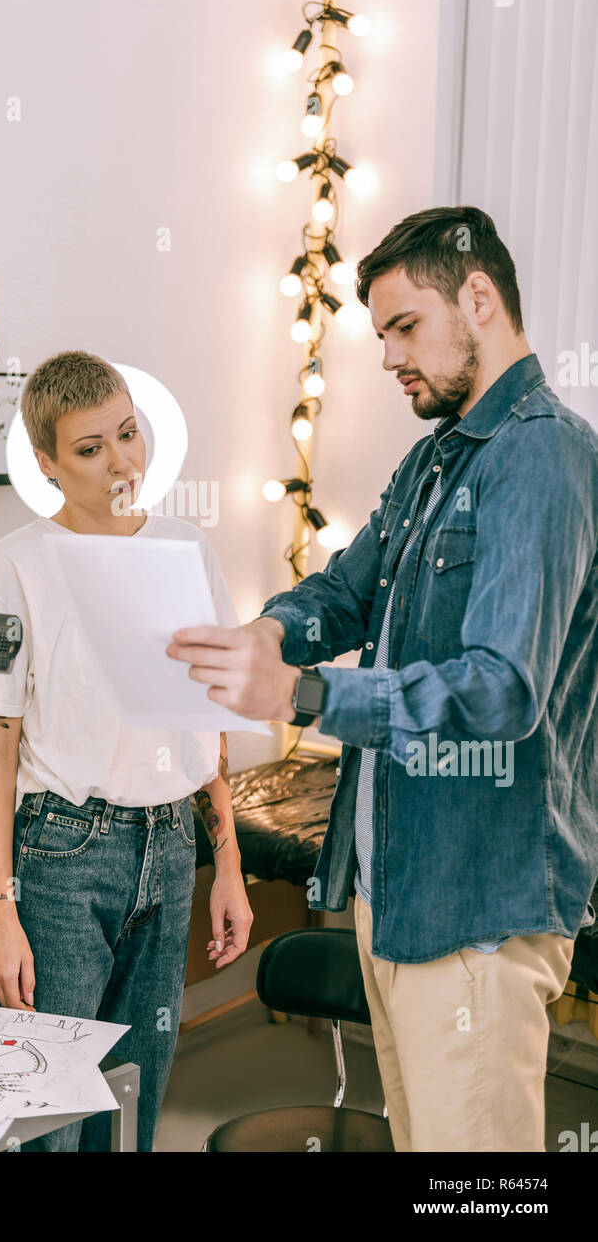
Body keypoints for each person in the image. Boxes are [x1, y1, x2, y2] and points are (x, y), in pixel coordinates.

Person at [167, 205, 598, 1152]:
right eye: (381, 335)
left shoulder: (542, 455)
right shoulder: (436, 458)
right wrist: (263, 638)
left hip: (478, 906)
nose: (391, 356)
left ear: (478, 298)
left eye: (405, 327)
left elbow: (501, 691)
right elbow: (346, 591)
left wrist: (304, 697)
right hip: (399, 894)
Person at [0, 349, 253, 1151]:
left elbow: (208, 724)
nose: (122, 461)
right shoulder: (12, 566)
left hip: (171, 842)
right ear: (50, 465)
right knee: (43, 1114)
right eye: (91, 449)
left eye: (128, 433)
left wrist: (226, 866)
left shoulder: (188, 550)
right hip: (60, 855)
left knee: (132, 1106)